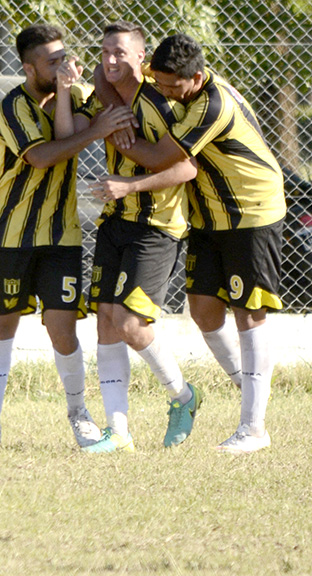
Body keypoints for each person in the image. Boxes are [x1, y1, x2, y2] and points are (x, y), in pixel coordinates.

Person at [94, 33, 286, 454]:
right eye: (158, 85)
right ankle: (248, 385)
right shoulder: (168, 77)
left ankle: (254, 428)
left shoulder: (210, 105)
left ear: (196, 77)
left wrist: (116, 135)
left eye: (171, 88)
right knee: (203, 310)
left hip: (250, 212)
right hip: (209, 215)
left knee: (249, 314)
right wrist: (113, 109)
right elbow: (105, 75)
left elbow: (169, 159)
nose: (163, 93)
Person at [0, 23, 136, 452]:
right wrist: (96, 131)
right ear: (28, 67)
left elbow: (72, 128)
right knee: (1, 327)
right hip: (10, 234)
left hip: (61, 236)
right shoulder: (13, 106)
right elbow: (42, 156)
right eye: (52, 62)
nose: (62, 66)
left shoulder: (74, 96)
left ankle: (79, 415)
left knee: (62, 330)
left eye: (65, 57)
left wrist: (77, 95)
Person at [56, 21, 200, 452]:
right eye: (104, 53)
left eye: (120, 53)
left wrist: (131, 182)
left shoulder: (165, 101)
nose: (111, 61)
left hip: (158, 227)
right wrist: (78, 95)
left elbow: (188, 168)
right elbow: (72, 128)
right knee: (105, 320)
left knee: (130, 324)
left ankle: (184, 396)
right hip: (114, 221)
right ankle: (118, 432)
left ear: (143, 58)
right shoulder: (108, 96)